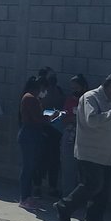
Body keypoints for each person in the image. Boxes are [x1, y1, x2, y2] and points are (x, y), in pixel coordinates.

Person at [54, 73, 111, 221]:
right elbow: (91, 120)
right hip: (90, 152)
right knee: (92, 184)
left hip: (107, 153)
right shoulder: (90, 98)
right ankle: (64, 206)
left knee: (103, 192)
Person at [19, 83, 65, 211]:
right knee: (28, 168)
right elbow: (37, 118)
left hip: (31, 134)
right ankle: (25, 197)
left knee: (30, 167)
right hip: (30, 134)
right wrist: (51, 117)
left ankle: (27, 196)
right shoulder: (31, 99)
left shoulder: (30, 98)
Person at [34, 68, 65, 197]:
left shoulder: (58, 90)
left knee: (54, 160)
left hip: (56, 130)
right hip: (42, 129)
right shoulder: (38, 92)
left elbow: (62, 105)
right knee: (40, 160)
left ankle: (52, 187)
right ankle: (37, 186)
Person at [60, 75, 89, 197]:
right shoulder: (70, 101)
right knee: (68, 168)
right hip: (70, 137)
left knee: (83, 171)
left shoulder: (89, 100)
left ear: (83, 87)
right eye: (72, 88)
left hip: (85, 138)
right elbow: (64, 118)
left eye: (76, 88)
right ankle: (67, 196)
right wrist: (73, 119)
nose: (74, 91)